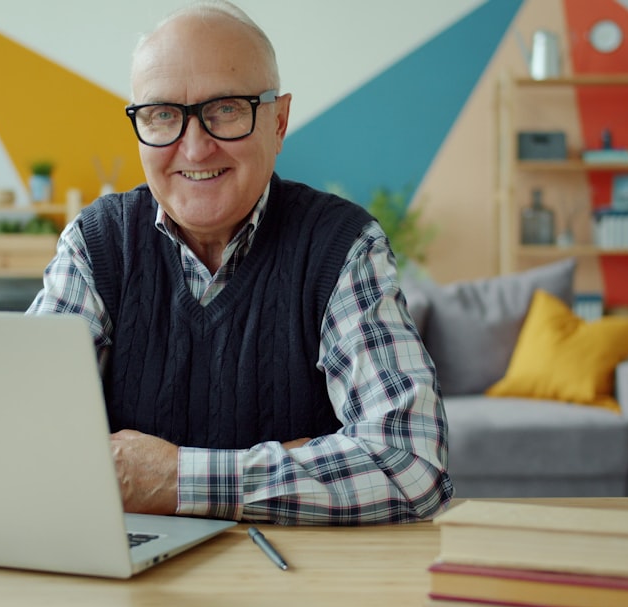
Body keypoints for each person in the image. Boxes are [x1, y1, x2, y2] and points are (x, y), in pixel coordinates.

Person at [27, 0, 452, 525]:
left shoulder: (342, 246)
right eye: (163, 115)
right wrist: (296, 459)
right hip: (130, 566)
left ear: (279, 121)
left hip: (297, 570)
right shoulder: (96, 244)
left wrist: (174, 478)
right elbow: (22, 441)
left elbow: (408, 466)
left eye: (226, 109)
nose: (195, 148)